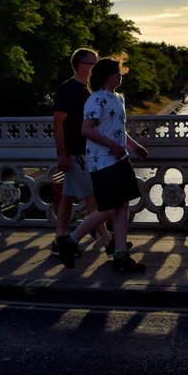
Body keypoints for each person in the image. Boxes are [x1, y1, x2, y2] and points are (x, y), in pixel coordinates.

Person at [55, 56, 148, 274]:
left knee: (123, 206)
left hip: (120, 159)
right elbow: (86, 130)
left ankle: (120, 254)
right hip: (102, 161)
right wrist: (112, 147)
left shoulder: (118, 98)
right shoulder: (95, 100)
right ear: (107, 75)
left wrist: (134, 147)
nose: (121, 74)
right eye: (117, 71)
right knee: (108, 208)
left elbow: (117, 129)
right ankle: (70, 240)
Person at [51, 47, 113, 258]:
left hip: (82, 152)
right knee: (92, 197)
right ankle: (107, 241)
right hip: (76, 154)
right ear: (80, 66)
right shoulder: (68, 89)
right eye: (92, 63)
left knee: (67, 198)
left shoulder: (86, 90)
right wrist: (62, 154)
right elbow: (58, 124)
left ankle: (59, 239)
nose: (95, 67)